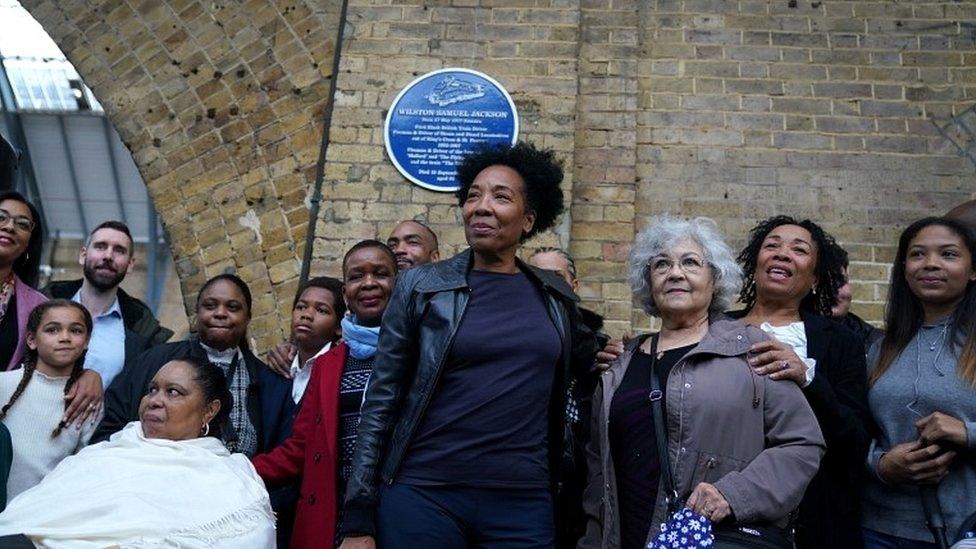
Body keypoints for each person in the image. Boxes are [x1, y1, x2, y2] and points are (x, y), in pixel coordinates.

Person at [340, 142, 597, 549]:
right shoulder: (421, 286)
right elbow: (382, 400)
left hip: (522, 501)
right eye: (473, 195)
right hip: (424, 495)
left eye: (500, 196)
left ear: (528, 220)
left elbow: (589, 361)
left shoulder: (554, 297)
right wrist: (357, 515)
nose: (481, 206)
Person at [578, 217, 824, 549]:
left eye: (690, 262)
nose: (675, 273)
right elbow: (598, 468)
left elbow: (802, 444)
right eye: (661, 264)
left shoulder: (752, 350)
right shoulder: (620, 366)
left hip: (709, 538)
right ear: (648, 281)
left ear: (715, 278)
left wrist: (734, 494)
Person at [0, 357, 275, 547]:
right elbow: (31, 518)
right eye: (152, 390)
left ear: (209, 410)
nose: (155, 401)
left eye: (174, 392)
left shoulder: (228, 477)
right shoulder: (105, 454)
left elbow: (244, 539)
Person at [734, 215, 873, 549]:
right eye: (772, 246)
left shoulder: (841, 343)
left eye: (799, 250)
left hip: (813, 517)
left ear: (814, 277)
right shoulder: (713, 328)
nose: (782, 254)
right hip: (726, 504)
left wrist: (808, 377)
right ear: (755, 266)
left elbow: (855, 439)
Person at [253, 241, 398, 549]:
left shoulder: (421, 350)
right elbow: (302, 446)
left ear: (397, 283)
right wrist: (239, 470)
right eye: (357, 276)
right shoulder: (327, 366)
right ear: (346, 294)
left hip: (401, 511)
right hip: (334, 517)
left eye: (381, 274)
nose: (369, 282)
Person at [862, 217, 976, 548]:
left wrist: (966, 432)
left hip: (964, 529)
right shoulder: (880, 347)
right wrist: (881, 465)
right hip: (878, 528)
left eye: (949, 254)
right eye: (917, 254)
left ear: (973, 270)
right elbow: (854, 431)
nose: (930, 264)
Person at [92, 273, 293, 458]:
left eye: (232, 307)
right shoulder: (154, 361)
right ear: (197, 313)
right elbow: (110, 428)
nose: (220, 313)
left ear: (248, 317)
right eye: (210, 305)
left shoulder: (267, 381)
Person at [265, 221, 439, 377]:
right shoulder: (331, 360)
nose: (399, 250)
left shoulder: (441, 328)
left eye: (412, 242)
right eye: (392, 245)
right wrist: (298, 351)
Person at [0, 191, 101, 426]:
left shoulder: (36, 305)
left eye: (22, 224)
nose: (9, 226)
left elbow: (51, 365)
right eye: (1, 217)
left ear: (28, 243)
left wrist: (90, 375)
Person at [0, 300, 96, 500]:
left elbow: (83, 467)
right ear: (31, 340)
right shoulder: (4, 384)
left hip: (44, 513)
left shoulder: (87, 400)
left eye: (76, 331)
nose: (65, 338)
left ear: (87, 341)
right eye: (52, 330)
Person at [43, 221, 155, 388]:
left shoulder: (140, 328)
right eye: (101, 246)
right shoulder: (42, 302)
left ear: (130, 264)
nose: (108, 256)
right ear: (83, 255)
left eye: (119, 250)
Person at [832, 249, 884, 352]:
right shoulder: (794, 335)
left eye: (841, 281)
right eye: (823, 282)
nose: (833, 290)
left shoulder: (877, 343)